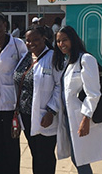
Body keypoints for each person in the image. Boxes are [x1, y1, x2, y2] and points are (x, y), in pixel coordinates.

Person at [53, 26, 102, 174]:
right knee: (76, 158)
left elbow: (93, 93)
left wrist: (86, 119)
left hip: (80, 118)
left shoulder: (86, 59)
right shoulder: (67, 62)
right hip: (68, 118)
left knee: (81, 160)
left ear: (73, 40)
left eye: (65, 40)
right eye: (58, 41)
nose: (61, 44)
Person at [0, 11, 28, 174]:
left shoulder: (17, 44)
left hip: (11, 100)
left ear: (5, 25)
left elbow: (26, 69)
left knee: (11, 141)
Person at [13, 25, 61, 174]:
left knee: (45, 155)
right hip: (26, 115)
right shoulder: (26, 57)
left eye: (35, 39)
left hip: (43, 116)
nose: (31, 43)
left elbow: (60, 86)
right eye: (27, 40)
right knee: (35, 153)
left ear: (44, 39)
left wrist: (51, 111)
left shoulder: (53, 57)